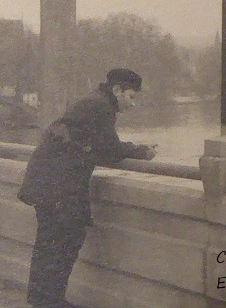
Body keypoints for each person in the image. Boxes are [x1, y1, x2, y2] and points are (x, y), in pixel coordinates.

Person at [18, 68, 157, 308]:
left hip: (48, 181)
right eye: (131, 97)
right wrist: (142, 151)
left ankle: (42, 300)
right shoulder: (101, 107)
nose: (133, 104)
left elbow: (98, 146)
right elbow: (110, 150)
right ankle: (50, 302)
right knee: (66, 241)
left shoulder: (93, 101)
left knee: (50, 243)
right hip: (59, 185)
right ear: (117, 90)